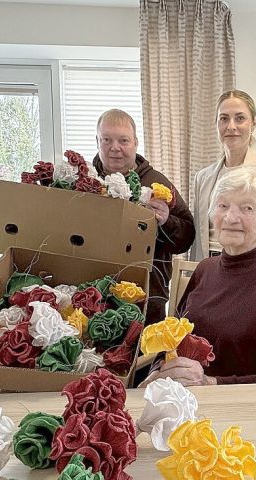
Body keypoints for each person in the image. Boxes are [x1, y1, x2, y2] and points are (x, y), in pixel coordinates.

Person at [142, 167, 256, 386]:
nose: (231, 217)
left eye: (247, 208)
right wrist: (156, 373)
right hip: (185, 401)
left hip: (245, 411)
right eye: (223, 206)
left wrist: (211, 383)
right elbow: (170, 339)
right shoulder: (204, 270)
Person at [91, 109, 195, 327]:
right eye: (107, 140)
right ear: (97, 141)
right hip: (93, 298)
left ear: (135, 142)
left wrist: (167, 220)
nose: (115, 148)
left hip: (147, 300)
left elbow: (187, 235)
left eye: (123, 140)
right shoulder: (85, 183)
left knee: (145, 359)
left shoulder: (158, 183)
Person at [190, 89, 256, 262]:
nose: (231, 126)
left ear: (254, 123)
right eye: (224, 119)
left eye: (240, 118)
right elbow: (199, 237)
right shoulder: (203, 178)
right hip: (212, 266)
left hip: (252, 265)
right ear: (216, 124)